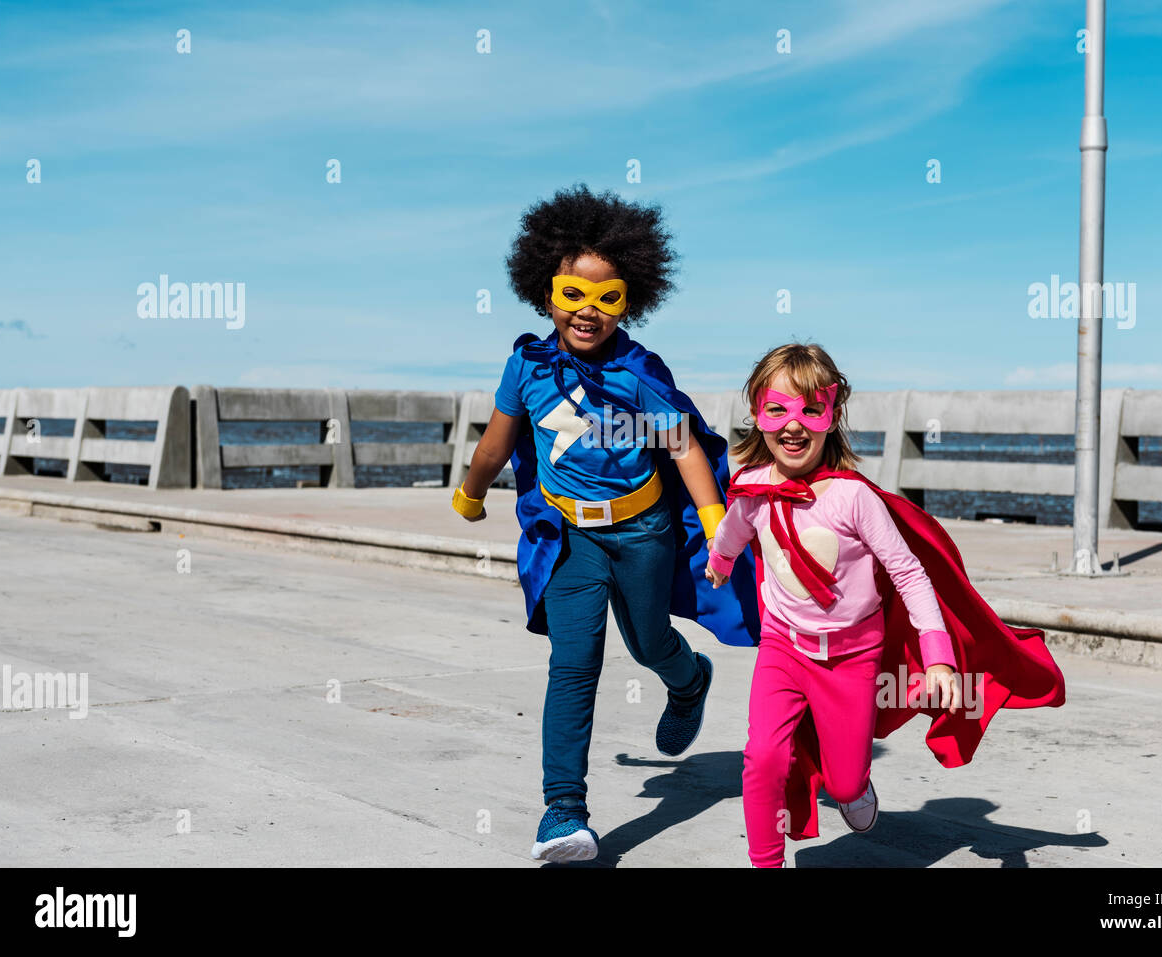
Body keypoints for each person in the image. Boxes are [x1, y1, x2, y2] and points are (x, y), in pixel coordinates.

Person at [451, 184, 758, 864]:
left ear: (630, 297)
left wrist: (712, 521)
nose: (588, 311)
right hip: (568, 538)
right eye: (572, 295)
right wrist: (471, 491)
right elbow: (497, 444)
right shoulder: (526, 366)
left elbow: (681, 445)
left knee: (650, 642)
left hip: (643, 531)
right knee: (574, 664)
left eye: (607, 296)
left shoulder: (637, 370)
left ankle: (689, 680)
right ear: (545, 291)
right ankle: (564, 813)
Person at [707, 342, 1066, 868]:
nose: (793, 424)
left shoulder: (853, 499)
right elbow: (735, 532)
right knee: (763, 757)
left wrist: (939, 654)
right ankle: (766, 862)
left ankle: (855, 787)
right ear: (758, 415)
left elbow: (908, 572)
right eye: (776, 408)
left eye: (811, 410)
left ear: (832, 417)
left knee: (845, 778)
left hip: (853, 656)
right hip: (784, 647)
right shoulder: (753, 491)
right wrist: (719, 562)